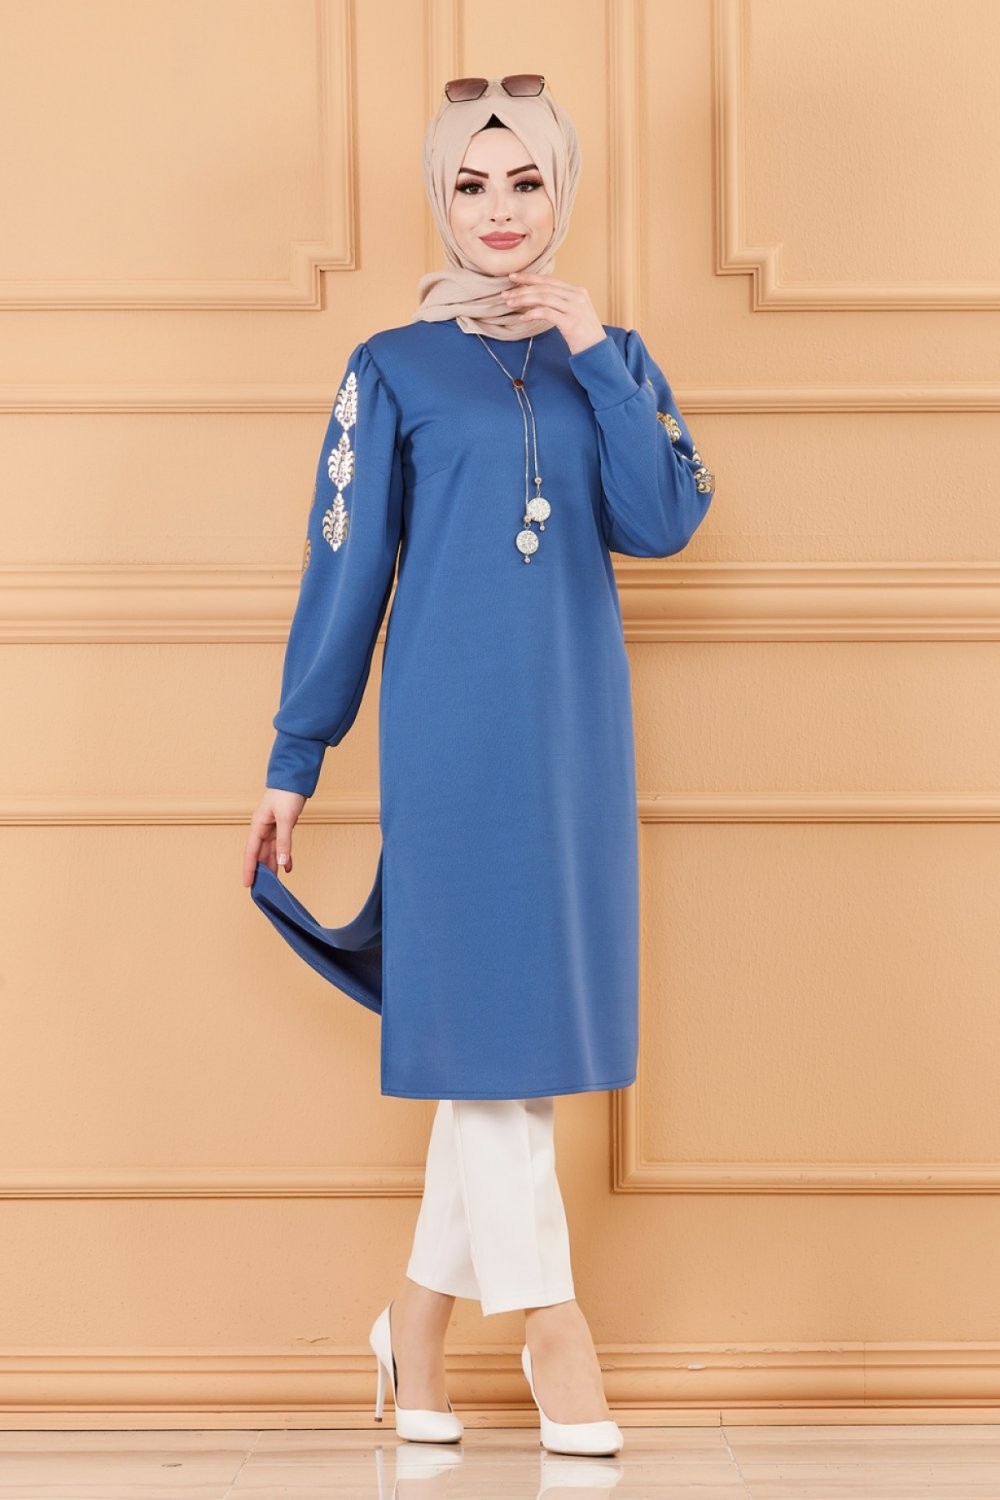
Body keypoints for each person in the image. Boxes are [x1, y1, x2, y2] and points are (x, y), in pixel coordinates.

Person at [241, 74, 715, 1456]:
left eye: (525, 183)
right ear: (438, 199)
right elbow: (345, 570)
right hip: (449, 736)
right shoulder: (391, 366)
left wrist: (594, 350)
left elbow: (662, 519)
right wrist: (296, 755)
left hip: (574, 732)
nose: (499, 212)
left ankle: (415, 1331)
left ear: (561, 193)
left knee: (507, 1039)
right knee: (495, 1037)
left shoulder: (612, 353)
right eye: (470, 184)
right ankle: (556, 1332)